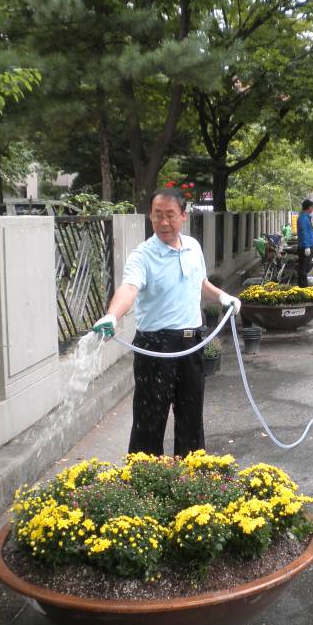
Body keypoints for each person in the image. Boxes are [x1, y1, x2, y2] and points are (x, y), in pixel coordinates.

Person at [92, 187, 240, 457]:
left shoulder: (193, 247)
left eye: (170, 215)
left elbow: (200, 283)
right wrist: (112, 315)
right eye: (157, 215)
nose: (163, 222)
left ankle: (191, 476)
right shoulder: (142, 255)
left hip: (191, 344)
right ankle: (142, 478)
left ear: (183, 215)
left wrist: (222, 297)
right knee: (149, 422)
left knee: (191, 420)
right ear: (150, 216)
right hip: (155, 347)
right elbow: (129, 288)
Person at [296, 198, 313, 287]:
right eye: (312, 207)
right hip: (305, 247)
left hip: (305, 246)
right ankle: (303, 287)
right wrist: (307, 246)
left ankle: (302, 286)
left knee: (303, 268)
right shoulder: (304, 218)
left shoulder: (305, 217)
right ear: (309, 207)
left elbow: (307, 231)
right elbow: (304, 232)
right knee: (303, 269)